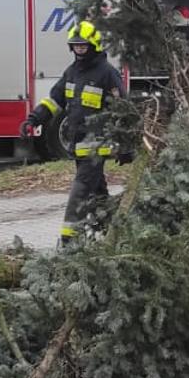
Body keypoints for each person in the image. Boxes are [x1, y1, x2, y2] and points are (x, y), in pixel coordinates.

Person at [24, 20, 124, 245]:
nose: (79, 49)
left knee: (79, 192)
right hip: (78, 145)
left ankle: (69, 242)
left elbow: (123, 109)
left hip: (97, 146)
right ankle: (114, 233)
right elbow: (54, 100)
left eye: (83, 46)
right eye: (76, 45)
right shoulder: (72, 72)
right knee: (98, 193)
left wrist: (126, 146)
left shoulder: (107, 73)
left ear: (93, 45)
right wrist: (34, 119)